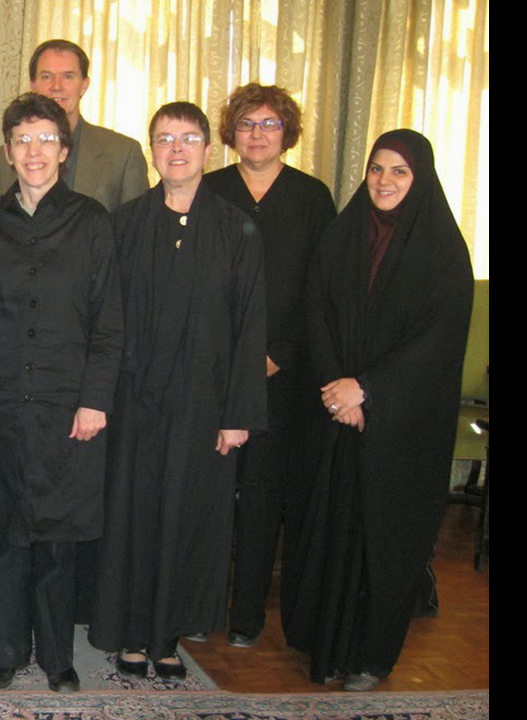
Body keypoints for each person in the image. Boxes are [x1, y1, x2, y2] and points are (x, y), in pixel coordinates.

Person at [283, 129, 472, 692]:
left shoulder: (442, 250)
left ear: (421, 180)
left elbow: (435, 342)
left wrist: (367, 389)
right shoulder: (343, 236)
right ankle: (321, 644)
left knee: (384, 538)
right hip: (335, 414)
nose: (384, 181)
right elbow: (313, 307)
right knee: (330, 526)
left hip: (402, 426)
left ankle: (371, 656)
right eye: (376, 169)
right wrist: (337, 389)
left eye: (399, 172)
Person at [88, 102, 267, 682]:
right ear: (153, 151)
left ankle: (167, 638)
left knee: (187, 518)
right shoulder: (126, 223)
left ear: (208, 150)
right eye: (165, 139)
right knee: (134, 518)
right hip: (136, 403)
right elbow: (106, 319)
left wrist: (238, 413)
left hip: (203, 407)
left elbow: (249, 325)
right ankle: (131, 635)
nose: (177, 149)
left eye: (188, 139)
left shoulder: (236, 227)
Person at [0, 93, 122, 693]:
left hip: (67, 408)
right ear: (7, 152)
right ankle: (5, 652)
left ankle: (57, 657)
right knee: (7, 537)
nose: (34, 151)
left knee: (56, 541)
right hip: (0, 406)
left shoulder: (92, 221)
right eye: (23, 140)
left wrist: (95, 399)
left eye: (46, 139)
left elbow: (108, 324)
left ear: (64, 150)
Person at [204, 83, 336, 648]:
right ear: (231, 132)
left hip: (283, 376)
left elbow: (323, 288)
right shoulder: (207, 190)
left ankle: (248, 616)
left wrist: (278, 354)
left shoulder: (312, 197)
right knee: (209, 492)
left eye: (269, 124)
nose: (257, 134)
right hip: (212, 372)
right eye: (247, 124)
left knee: (262, 495)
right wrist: (226, 357)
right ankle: (201, 604)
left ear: (287, 132)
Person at [0, 39, 148, 212]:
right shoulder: (3, 159)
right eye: (46, 76)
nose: (56, 86)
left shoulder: (123, 154)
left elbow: (137, 231)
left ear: (84, 85)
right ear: (33, 84)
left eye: (68, 76)